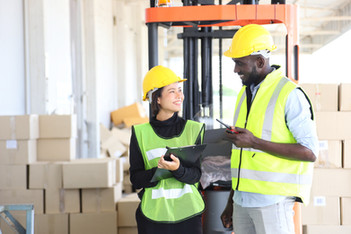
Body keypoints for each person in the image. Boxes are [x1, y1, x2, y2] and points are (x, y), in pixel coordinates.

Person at [220, 24, 319, 234]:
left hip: (273, 203)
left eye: (239, 63)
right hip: (242, 201)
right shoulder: (243, 94)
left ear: (260, 61)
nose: (235, 69)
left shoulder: (290, 94)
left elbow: (310, 152)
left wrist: (255, 142)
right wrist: (231, 201)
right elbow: (242, 157)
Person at [129, 65, 205, 234]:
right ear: (157, 98)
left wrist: (178, 169)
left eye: (180, 90)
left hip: (188, 216)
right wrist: (158, 171)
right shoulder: (140, 133)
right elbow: (136, 179)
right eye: (172, 91)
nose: (180, 96)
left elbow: (196, 176)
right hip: (153, 218)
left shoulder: (194, 129)